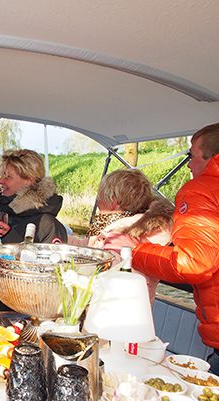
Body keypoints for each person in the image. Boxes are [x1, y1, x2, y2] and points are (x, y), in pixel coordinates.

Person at [107, 123, 219, 375]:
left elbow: (194, 262)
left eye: (191, 155)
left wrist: (134, 250)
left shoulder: (202, 189)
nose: (189, 165)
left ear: (210, 157)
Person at [72, 169, 173, 303]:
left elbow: (101, 282)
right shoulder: (140, 228)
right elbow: (90, 244)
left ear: (113, 200)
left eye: (100, 196)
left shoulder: (118, 237)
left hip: (111, 315)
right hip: (139, 313)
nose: (98, 201)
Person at [0, 149, 67, 311]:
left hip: (27, 315)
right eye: (2, 175)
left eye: (8, 176)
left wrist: (10, 241)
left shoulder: (47, 224)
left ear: (29, 180)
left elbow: (51, 281)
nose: (1, 181)